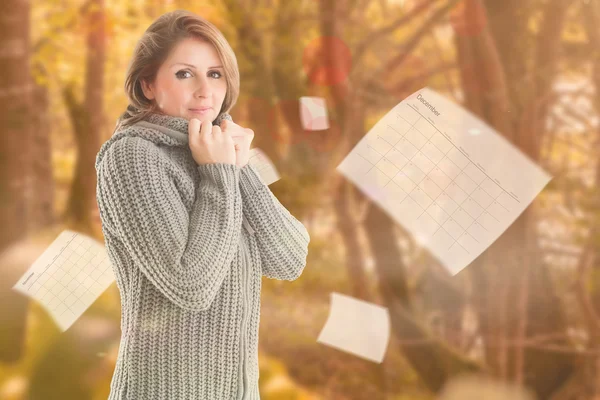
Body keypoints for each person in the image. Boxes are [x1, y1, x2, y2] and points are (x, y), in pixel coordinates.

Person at [95, 9, 310, 400]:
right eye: (183, 73)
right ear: (147, 84)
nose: (204, 90)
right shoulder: (131, 157)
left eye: (215, 74)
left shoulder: (219, 153)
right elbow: (190, 285)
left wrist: (240, 170)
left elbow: (290, 259)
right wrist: (220, 173)